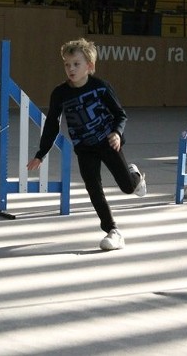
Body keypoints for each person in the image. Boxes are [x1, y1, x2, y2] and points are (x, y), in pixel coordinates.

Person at [26, 38, 147, 251]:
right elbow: (52, 124)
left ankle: (135, 175)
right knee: (94, 188)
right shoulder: (60, 93)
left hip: (108, 143)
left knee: (128, 188)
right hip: (84, 148)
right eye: (67, 64)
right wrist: (41, 153)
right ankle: (113, 231)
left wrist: (117, 133)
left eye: (76, 64)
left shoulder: (101, 87)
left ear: (89, 66)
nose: (71, 69)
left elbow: (120, 115)